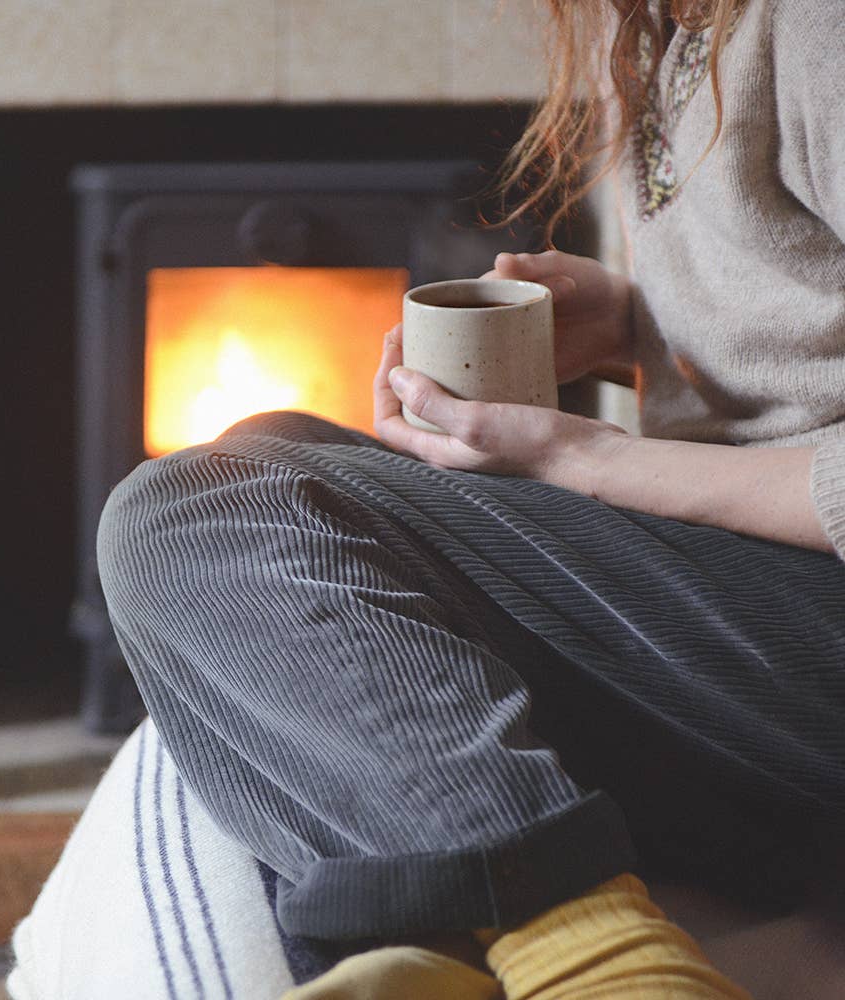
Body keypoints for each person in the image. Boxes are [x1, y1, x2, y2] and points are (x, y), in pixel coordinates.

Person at [97, 0, 845, 996]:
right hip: (751, 629)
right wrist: (636, 330)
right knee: (255, 460)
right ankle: (461, 940)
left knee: (197, 513)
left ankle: (601, 960)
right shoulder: (662, 28)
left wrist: (589, 460)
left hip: (809, 632)